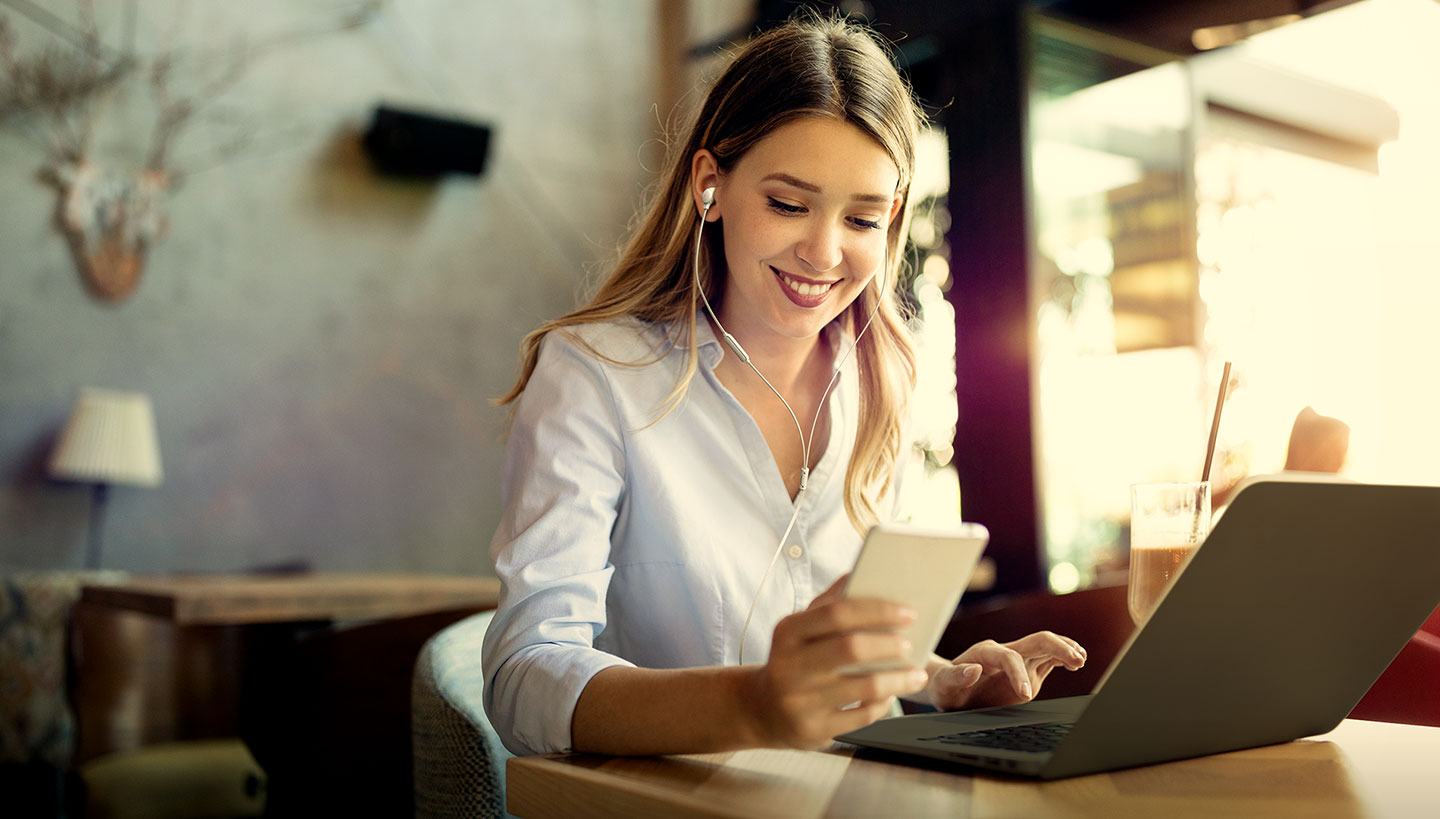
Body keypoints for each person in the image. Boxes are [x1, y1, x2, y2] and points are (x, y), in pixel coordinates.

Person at [481, 12, 1086, 758]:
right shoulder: (595, 375)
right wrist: (754, 704)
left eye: (862, 217)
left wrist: (942, 680)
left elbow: (843, 654)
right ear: (711, 185)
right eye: (788, 204)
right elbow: (523, 677)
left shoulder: (880, 384)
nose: (824, 251)